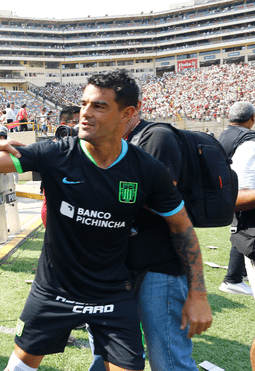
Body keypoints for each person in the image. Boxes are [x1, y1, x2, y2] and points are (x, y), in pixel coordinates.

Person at [0, 69, 211, 371]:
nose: (85, 113)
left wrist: (198, 295)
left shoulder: (147, 170)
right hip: (53, 291)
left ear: (127, 113)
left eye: (99, 106)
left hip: (111, 295)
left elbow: (182, 229)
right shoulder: (58, 154)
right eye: (85, 103)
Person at [89, 86, 212, 371]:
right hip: (121, 267)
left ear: (129, 111)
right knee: (108, 355)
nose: (94, 115)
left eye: (103, 108)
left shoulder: (156, 136)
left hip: (159, 268)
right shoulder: (119, 142)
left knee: (168, 360)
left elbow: (157, 200)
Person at [217, 101, 255, 296]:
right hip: (241, 196)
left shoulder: (224, 135)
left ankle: (235, 277)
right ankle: (233, 278)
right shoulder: (248, 139)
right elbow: (246, 179)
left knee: (241, 235)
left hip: (225, 192)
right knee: (244, 234)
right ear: (252, 118)